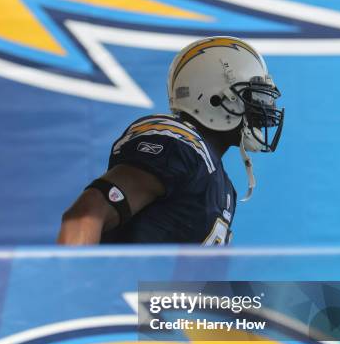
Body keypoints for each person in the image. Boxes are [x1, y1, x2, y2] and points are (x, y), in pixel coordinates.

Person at [57, 36, 284, 245]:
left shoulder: (221, 185)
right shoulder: (179, 146)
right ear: (214, 97)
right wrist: (72, 287)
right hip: (119, 289)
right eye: (254, 97)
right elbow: (84, 216)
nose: (263, 109)